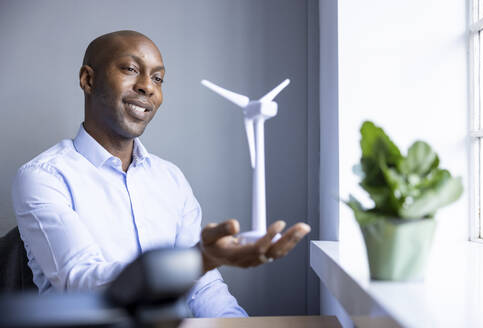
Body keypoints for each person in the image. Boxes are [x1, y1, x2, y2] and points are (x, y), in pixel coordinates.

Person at [11, 30, 311, 317]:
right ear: (88, 80)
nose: (148, 86)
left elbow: (203, 287)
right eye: (130, 69)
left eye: (158, 78)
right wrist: (200, 259)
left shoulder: (171, 179)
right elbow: (81, 283)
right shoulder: (44, 177)